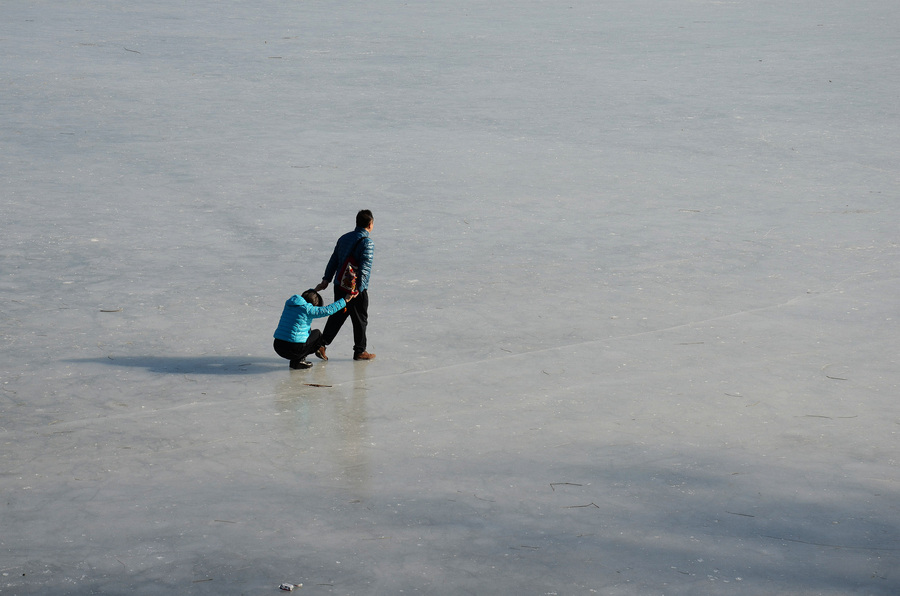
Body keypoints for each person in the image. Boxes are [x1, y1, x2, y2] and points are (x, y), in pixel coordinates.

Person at [314, 209, 376, 361]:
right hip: (355, 289)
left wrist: (326, 279)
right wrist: (358, 289)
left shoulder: (344, 238)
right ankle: (360, 351)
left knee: (338, 315)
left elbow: (334, 259)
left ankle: (321, 344)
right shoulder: (367, 243)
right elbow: (365, 268)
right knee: (360, 318)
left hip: (340, 284)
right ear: (370, 224)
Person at [273, 289, 353, 369]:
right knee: (317, 334)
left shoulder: (289, 305)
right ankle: (299, 361)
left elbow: (309, 295)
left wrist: (316, 289)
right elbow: (327, 310)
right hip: (294, 348)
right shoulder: (307, 308)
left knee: (306, 331)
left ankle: (296, 362)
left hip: (278, 346)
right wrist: (345, 300)